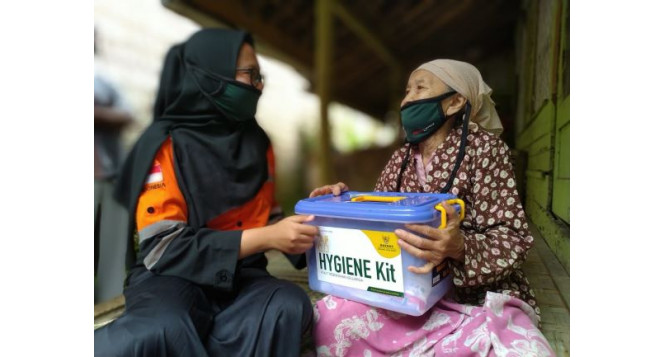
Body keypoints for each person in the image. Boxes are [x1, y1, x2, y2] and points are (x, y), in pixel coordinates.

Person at [94, 28, 317, 357]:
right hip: (171, 277)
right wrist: (270, 237)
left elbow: (268, 216)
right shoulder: (166, 143)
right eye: (249, 74)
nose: (259, 85)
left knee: (287, 305)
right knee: (164, 327)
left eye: (260, 75)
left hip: (242, 277)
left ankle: (193, 339)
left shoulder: (258, 144)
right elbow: (164, 248)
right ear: (211, 75)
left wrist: (321, 211)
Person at [309, 59, 555, 356]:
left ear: (454, 102)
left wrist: (461, 247)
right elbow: (375, 219)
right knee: (329, 319)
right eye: (407, 90)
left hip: (476, 295)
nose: (408, 98)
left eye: (420, 88)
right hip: (408, 290)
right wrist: (341, 201)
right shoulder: (400, 159)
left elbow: (514, 238)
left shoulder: (487, 151)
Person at [94, 28, 135, 302]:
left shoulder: (101, 79)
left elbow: (126, 114)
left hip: (107, 176)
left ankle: (108, 314)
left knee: (112, 257)